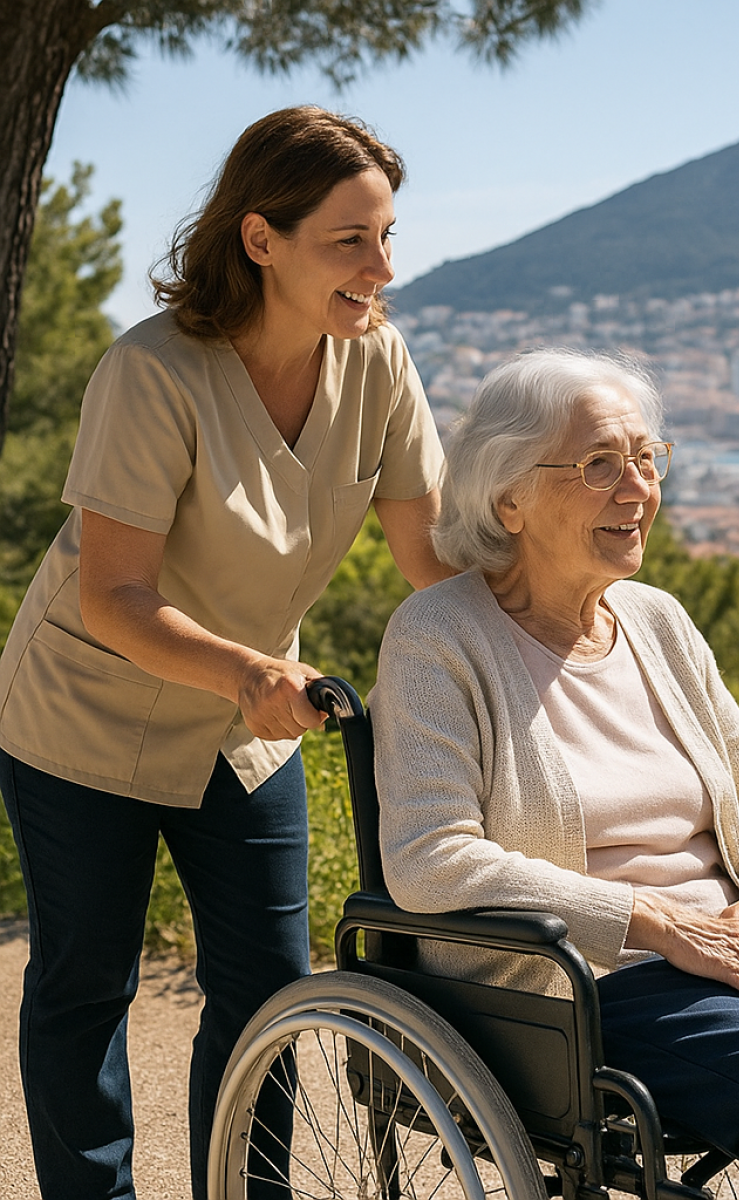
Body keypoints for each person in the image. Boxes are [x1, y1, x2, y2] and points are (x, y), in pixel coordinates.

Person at [371, 347, 739, 1200]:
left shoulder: (657, 621)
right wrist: (651, 922)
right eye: (599, 465)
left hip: (727, 942)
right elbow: (431, 858)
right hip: (577, 986)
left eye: (646, 458)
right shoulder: (437, 638)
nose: (638, 489)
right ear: (508, 497)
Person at [0, 106, 451, 1200]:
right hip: (85, 717)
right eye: (351, 240)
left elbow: (432, 558)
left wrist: (557, 613)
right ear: (261, 240)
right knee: (84, 989)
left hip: (245, 729)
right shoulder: (150, 372)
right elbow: (112, 595)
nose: (382, 266)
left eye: (387, 235)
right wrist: (251, 674)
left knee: (270, 993)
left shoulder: (378, 362)